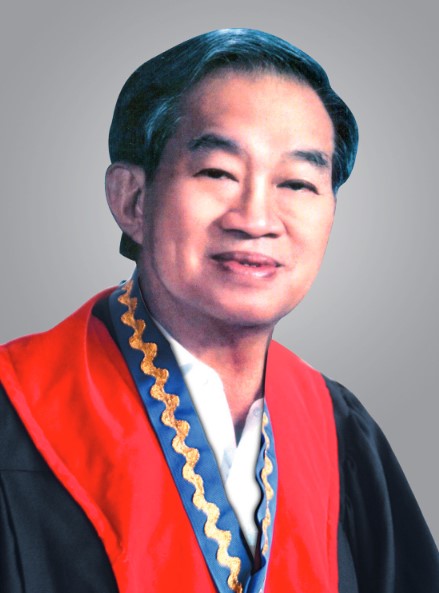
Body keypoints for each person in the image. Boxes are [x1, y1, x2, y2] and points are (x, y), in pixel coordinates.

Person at [0, 28, 437, 593]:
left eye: (298, 183)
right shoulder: (18, 411)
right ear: (132, 200)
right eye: (218, 173)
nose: (257, 219)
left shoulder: (340, 429)